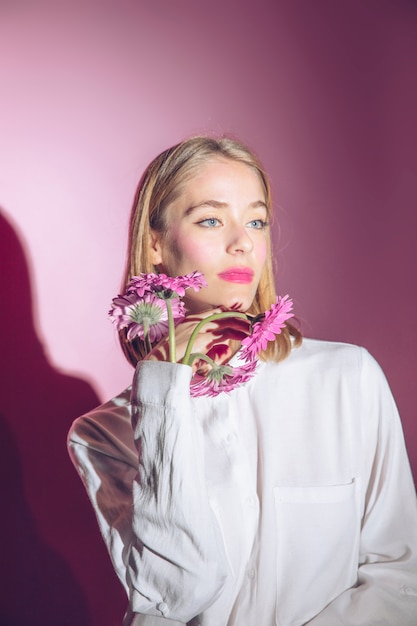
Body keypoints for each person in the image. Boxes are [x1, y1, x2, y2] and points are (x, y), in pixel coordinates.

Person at [68, 136, 417, 626]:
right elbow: (180, 590)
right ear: (155, 245)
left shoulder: (348, 378)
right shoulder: (104, 433)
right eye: (211, 219)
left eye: (256, 220)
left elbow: (400, 575)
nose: (243, 242)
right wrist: (163, 390)